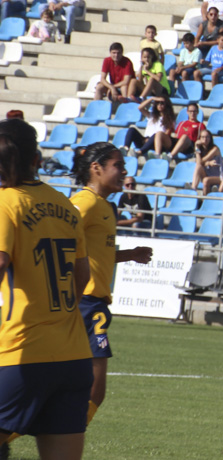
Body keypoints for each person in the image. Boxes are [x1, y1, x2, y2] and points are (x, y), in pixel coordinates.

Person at [0, 118, 93, 460]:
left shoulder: (6, 203)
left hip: (22, 352)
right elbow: (82, 278)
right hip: (73, 356)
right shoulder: (65, 205)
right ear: (37, 159)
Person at [70, 143, 153, 431]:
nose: (124, 171)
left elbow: (92, 253)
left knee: (76, 387)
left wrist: (129, 255)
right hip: (85, 303)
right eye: (118, 165)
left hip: (93, 303)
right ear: (97, 168)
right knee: (95, 389)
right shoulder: (85, 203)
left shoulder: (105, 206)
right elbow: (58, 241)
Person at [192, 127, 223, 194]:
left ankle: (204, 199)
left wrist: (206, 162)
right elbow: (199, 163)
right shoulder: (200, 149)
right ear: (199, 138)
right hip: (207, 173)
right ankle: (193, 188)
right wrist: (197, 148)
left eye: (207, 137)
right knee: (199, 167)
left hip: (218, 176)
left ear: (210, 138)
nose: (205, 139)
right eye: (203, 137)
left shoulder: (215, 149)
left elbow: (201, 161)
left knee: (205, 180)